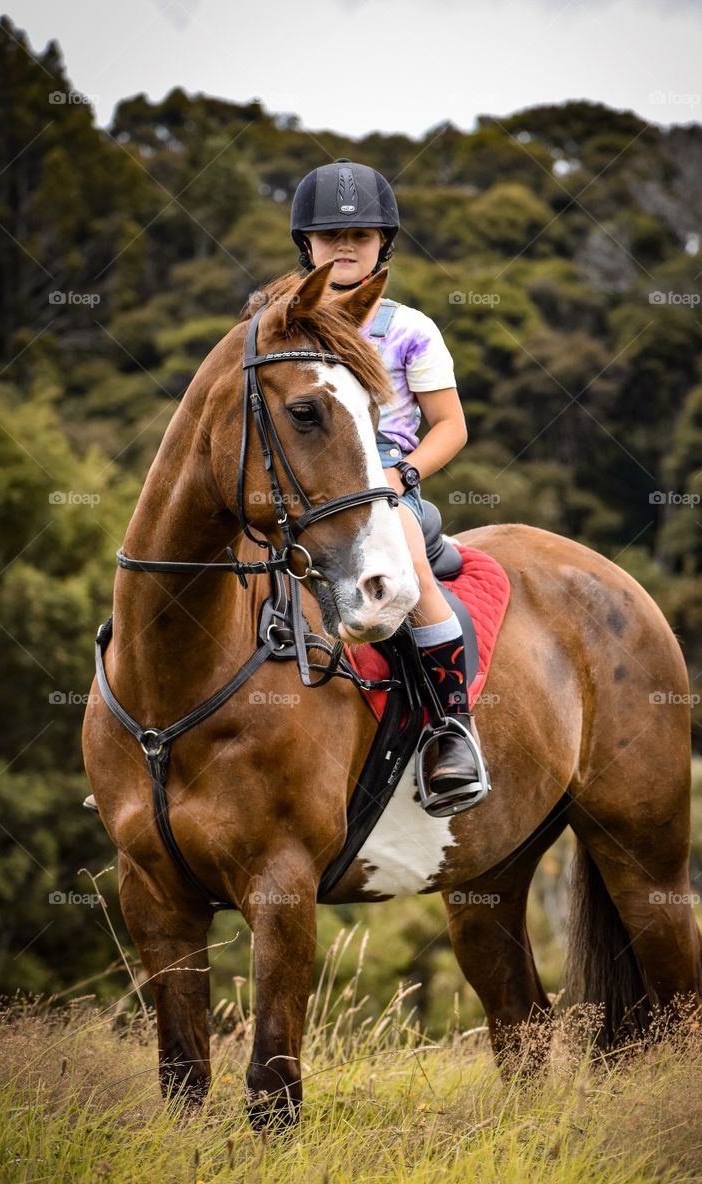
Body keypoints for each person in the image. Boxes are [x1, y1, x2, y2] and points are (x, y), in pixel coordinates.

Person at [290, 159, 488, 809]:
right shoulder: (279, 325)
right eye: (330, 237)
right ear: (306, 245)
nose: (346, 247)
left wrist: (404, 475)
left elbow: (450, 426)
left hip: (382, 483)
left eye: (363, 236)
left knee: (403, 556)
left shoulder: (410, 329)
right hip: (296, 478)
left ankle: (451, 728)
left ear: (383, 245)